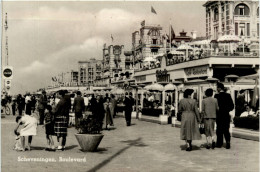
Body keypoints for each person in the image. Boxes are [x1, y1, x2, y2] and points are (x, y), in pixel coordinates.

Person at [214, 82, 234, 149]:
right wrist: (226, 110)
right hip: (226, 115)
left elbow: (215, 106)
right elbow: (232, 106)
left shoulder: (216, 96)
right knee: (226, 129)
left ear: (219, 88)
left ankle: (219, 143)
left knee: (219, 129)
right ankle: (228, 142)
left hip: (219, 115)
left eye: (217, 87)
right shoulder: (228, 95)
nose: (217, 89)